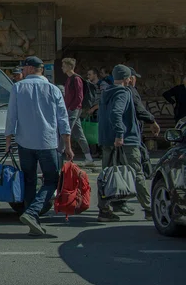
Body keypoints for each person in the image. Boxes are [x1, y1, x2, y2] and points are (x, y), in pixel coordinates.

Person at [6, 56, 73, 235]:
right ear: (41, 70)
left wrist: (8, 141)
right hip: (47, 142)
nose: (22, 71)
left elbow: (11, 116)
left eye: (24, 68)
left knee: (29, 180)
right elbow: (62, 119)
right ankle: (33, 212)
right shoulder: (53, 89)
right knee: (52, 180)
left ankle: (31, 215)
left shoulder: (17, 88)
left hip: (24, 142)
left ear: (29, 69)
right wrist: (67, 145)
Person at [97, 65, 152, 222]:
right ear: (127, 78)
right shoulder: (123, 92)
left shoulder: (106, 92)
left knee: (106, 174)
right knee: (137, 173)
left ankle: (104, 210)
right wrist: (120, 134)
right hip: (126, 140)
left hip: (107, 139)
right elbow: (116, 113)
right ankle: (149, 208)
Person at [61, 58, 94, 164]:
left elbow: (79, 96)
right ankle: (88, 157)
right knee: (79, 134)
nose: (62, 67)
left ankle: (59, 153)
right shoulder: (69, 79)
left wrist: (72, 108)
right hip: (70, 109)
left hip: (73, 109)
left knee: (65, 132)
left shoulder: (76, 79)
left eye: (64, 65)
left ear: (70, 67)